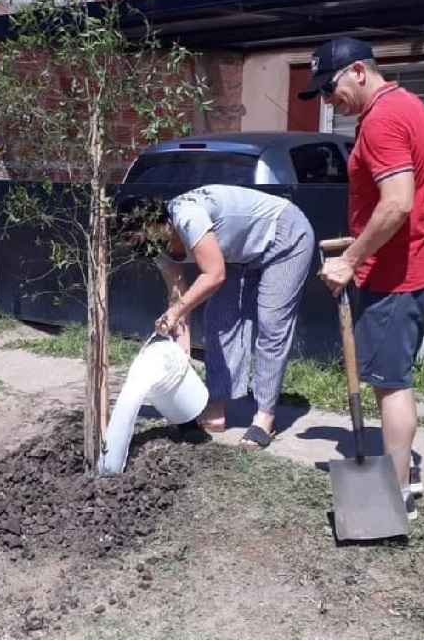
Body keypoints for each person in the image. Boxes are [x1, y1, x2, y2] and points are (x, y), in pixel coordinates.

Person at [300, 36, 424, 521]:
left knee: (391, 384)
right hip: (416, 264)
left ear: (359, 71)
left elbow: (399, 203)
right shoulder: (409, 106)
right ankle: (405, 471)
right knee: (394, 378)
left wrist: (350, 258)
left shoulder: (382, 119)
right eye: (322, 93)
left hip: (396, 275)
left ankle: (396, 495)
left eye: (331, 87)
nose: (328, 100)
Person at [118, 184, 316, 448]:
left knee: (271, 322)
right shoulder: (154, 245)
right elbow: (178, 295)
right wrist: (181, 350)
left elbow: (214, 275)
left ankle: (264, 417)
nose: (144, 248)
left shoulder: (188, 216)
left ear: (158, 222)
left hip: (285, 235)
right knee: (218, 319)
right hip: (239, 253)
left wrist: (174, 312)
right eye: (136, 244)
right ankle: (216, 404)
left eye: (142, 239)